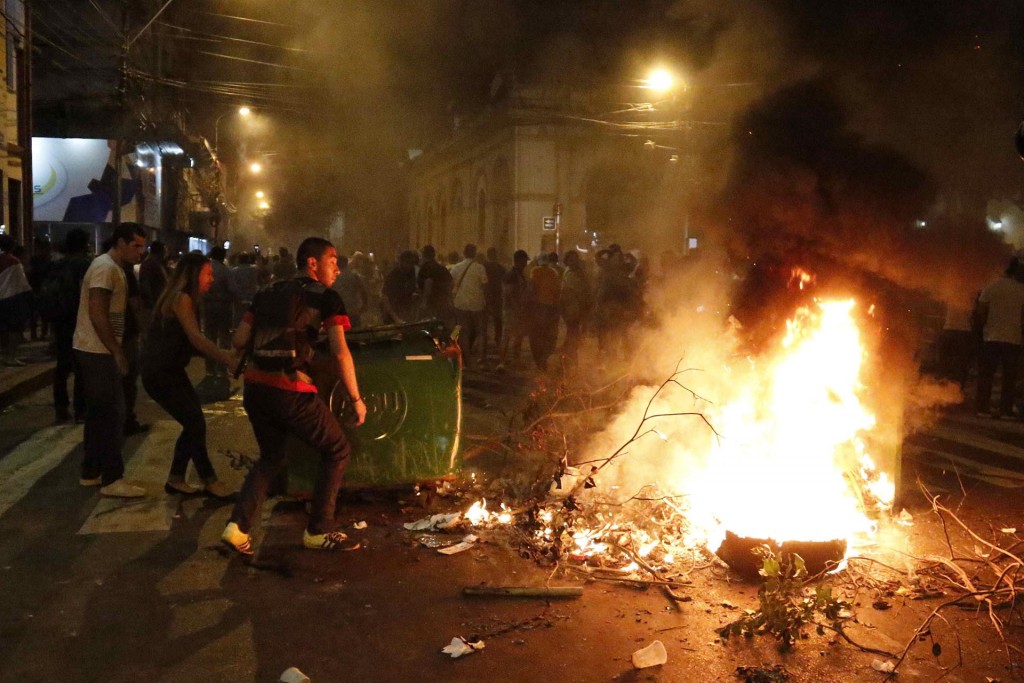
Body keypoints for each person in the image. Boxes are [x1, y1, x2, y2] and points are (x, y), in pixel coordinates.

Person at [222, 237, 367, 555]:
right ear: (312, 263)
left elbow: (239, 339)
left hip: (255, 387)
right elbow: (341, 353)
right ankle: (318, 530)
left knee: (271, 457)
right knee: (337, 449)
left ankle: (237, 527)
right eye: (333, 261)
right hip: (290, 389)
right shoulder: (327, 298)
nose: (338, 270)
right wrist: (356, 399)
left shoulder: (266, 292)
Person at [142, 253, 237, 498]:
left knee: (193, 423)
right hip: (161, 373)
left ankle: (176, 478)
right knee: (195, 423)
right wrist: (224, 358)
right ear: (194, 275)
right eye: (208, 274)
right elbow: (196, 338)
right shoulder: (181, 298)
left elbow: (188, 343)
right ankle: (209, 480)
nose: (212, 279)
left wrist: (220, 354)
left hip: (167, 371)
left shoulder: (181, 298)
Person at [73, 223, 147, 498]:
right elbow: (97, 313)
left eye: (143, 246)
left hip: (95, 348)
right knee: (114, 413)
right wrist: (116, 350)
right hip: (97, 350)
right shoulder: (105, 268)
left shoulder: (114, 268)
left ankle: (91, 471)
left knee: (98, 414)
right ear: (119, 242)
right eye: (136, 245)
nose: (141, 252)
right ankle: (112, 478)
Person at [49, 229, 91, 423]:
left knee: (62, 366)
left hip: (60, 319)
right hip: (80, 320)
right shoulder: (85, 265)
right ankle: (80, 410)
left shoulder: (56, 265)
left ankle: (60, 408)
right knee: (82, 367)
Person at [974, 258, 1024, 418]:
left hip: (991, 337)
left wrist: (979, 332)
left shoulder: (990, 287)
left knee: (986, 374)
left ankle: (982, 408)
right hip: (1013, 338)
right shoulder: (1021, 290)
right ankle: (1005, 410)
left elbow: (980, 312)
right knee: (1009, 378)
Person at [450, 244, 488, 367]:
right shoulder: (480, 268)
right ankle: (481, 359)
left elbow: (450, 286)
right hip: (478, 304)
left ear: (464, 253)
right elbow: (485, 285)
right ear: (474, 253)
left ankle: (466, 359)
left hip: (460, 304)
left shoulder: (456, 268)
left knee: (463, 332)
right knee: (481, 332)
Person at [203, 245, 238, 380]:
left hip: (208, 306)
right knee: (224, 338)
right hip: (223, 307)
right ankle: (222, 369)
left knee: (209, 337)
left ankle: (209, 369)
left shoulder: (205, 268)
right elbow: (233, 289)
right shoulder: (225, 271)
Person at [0, 235, 31, 366]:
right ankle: (10, 356)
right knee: (15, 330)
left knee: (3, 329)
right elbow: (22, 283)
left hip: (1, 298)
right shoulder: (14, 262)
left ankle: (4, 354)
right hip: (13, 298)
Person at [528, 252, 561, 370]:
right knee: (549, 334)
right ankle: (546, 357)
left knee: (537, 334)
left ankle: (540, 361)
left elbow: (532, 289)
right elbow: (557, 291)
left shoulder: (534, 271)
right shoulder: (554, 272)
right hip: (552, 307)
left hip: (538, 307)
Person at [497, 250, 529, 370]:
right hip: (511, 311)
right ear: (519, 261)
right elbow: (509, 294)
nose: (526, 263)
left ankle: (516, 360)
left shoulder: (518, 274)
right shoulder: (511, 274)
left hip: (517, 310)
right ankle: (502, 362)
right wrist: (517, 308)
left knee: (518, 336)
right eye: (524, 260)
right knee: (507, 336)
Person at [560, 250, 591, 369]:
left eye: (575, 259)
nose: (574, 261)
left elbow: (585, 291)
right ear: (567, 261)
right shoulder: (569, 274)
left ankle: (569, 359)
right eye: (571, 259)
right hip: (571, 310)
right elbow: (566, 293)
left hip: (578, 310)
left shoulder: (579, 273)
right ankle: (568, 360)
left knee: (574, 335)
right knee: (572, 335)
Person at [416, 244, 454, 326]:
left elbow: (428, 282)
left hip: (431, 303)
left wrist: (424, 302)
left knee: (428, 325)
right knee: (442, 325)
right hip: (442, 302)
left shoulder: (425, 268)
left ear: (423, 255)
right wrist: (448, 298)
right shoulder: (441, 268)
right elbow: (450, 283)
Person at [381, 250, 420, 324]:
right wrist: (396, 319)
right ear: (401, 262)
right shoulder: (393, 276)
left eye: (412, 263)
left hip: (406, 315)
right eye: (408, 263)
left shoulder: (411, 273)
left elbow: (411, 290)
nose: (411, 266)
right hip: (392, 317)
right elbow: (385, 298)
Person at [332, 254, 369, 329]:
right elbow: (363, 292)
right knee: (356, 335)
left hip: (338, 313)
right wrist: (363, 306)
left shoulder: (332, 277)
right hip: (353, 312)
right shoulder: (354, 276)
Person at [482, 247, 506, 359]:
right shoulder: (500, 267)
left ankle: (484, 344)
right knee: (498, 321)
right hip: (497, 296)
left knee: (484, 321)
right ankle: (497, 341)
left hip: (485, 296)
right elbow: (505, 281)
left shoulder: (484, 266)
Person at [138, 241, 168, 311]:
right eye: (165, 251)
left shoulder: (158, 263)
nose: (166, 254)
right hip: (155, 304)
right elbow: (145, 285)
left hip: (159, 302)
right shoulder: (149, 264)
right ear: (160, 252)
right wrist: (151, 303)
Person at [230, 252, 259, 326]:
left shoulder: (234, 271)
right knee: (250, 319)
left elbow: (233, 285)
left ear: (239, 260)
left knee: (238, 318)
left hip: (239, 298)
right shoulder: (254, 269)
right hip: (252, 297)